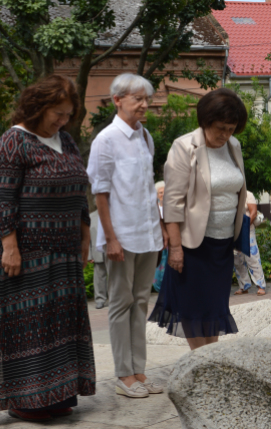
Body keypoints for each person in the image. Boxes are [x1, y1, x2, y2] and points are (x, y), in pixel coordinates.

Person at [0, 75, 94, 420]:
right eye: (58, 113)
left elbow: (79, 190)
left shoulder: (66, 140)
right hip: (28, 253)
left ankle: (59, 393)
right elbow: (2, 200)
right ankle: (27, 400)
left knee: (60, 323)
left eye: (68, 115)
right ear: (38, 106)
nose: (63, 121)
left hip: (63, 252)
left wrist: (84, 235)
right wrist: (9, 246)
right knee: (29, 326)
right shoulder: (13, 141)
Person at [87, 73, 167, 399]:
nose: (144, 105)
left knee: (142, 302)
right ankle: (123, 374)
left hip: (148, 232)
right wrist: (111, 237)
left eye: (146, 99)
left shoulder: (145, 136)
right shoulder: (105, 140)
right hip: (121, 235)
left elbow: (148, 189)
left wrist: (160, 225)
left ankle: (139, 370)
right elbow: (101, 194)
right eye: (138, 99)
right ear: (118, 100)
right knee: (121, 303)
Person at [149, 88, 248, 350]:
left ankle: (210, 358)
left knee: (215, 306)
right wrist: (175, 247)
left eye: (231, 128)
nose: (226, 134)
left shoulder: (234, 146)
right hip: (194, 244)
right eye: (220, 128)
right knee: (194, 307)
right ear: (205, 121)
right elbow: (172, 202)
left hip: (223, 241)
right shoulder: (184, 147)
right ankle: (201, 359)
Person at [233, 191, 267, 296]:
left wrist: (244, 227)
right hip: (233, 231)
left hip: (247, 229)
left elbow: (253, 213)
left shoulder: (248, 194)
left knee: (252, 258)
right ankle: (244, 286)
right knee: (237, 259)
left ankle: (261, 285)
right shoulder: (229, 194)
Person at [89, 210, 107, 309]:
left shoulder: (114, 213)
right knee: (99, 277)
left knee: (115, 277)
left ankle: (115, 299)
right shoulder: (91, 217)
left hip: (112, 250)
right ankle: (100, 299)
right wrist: (89, 255)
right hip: (97, 251)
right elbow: (87, 237)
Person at [152, 181, 167, 293]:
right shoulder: (154, 208)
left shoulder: (171, 207)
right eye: (160, 192)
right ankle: (159, 288)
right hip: (158, 242)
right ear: (156, 194)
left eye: (165, 192)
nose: (163, 194)